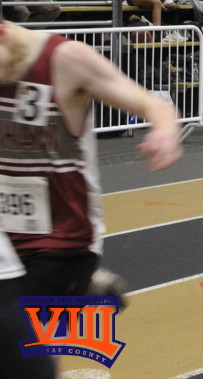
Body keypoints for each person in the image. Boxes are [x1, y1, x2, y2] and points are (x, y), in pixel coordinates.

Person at [0, 18, 180, 369]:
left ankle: (79, 288)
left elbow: (153, 104)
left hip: (60, 240)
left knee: (18, 348)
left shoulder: (65, 59)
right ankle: (83, 292)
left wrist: (164, 132)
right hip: (5, 237)